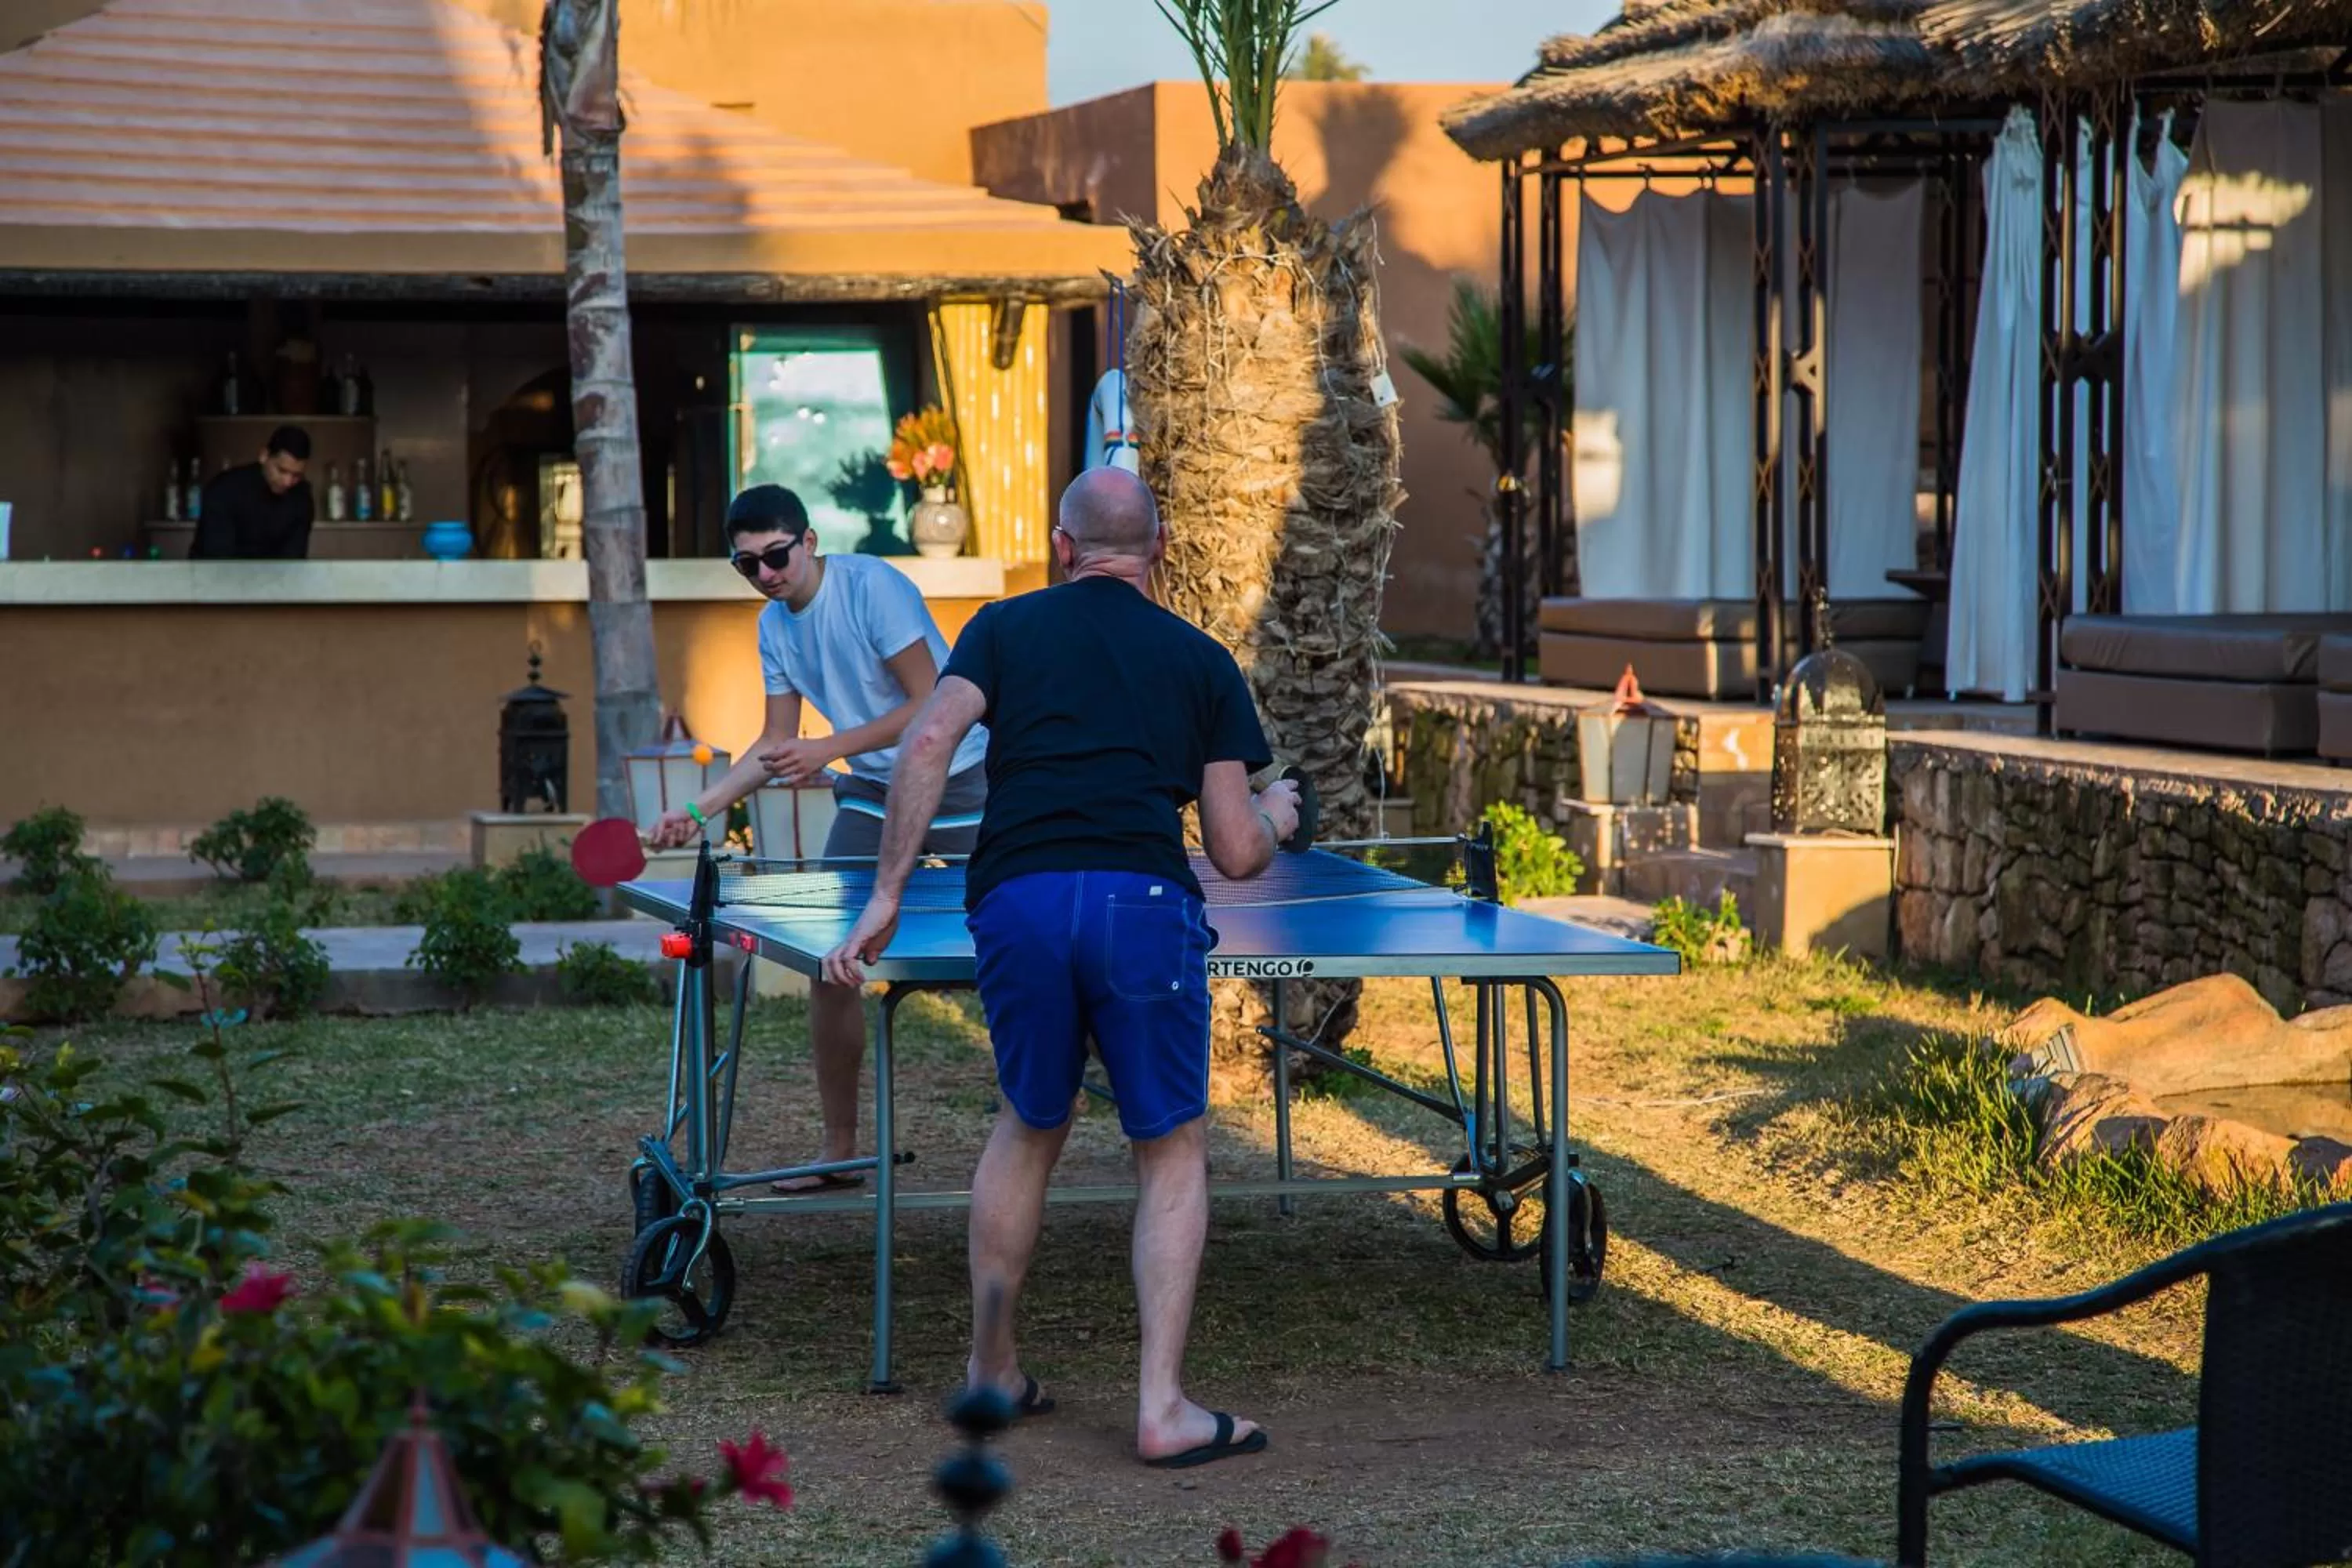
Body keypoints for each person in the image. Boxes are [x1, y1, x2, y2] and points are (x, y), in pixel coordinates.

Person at [822, 467, 1301, 1471]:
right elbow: (1236, 849)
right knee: (1168, 1147)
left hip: (1022, 899)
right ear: (1159, 549)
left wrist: (885, 894)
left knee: (1030, 1120)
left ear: (1063, 544)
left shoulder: (1003, 627)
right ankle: (1162, 1407)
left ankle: (992, 1369)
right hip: (1139, 901)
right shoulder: (1202, 658)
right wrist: (1277, 816)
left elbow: (926, 744)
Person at [649, 483, 988, 1191]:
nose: (767, 575)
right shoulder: (774, 627)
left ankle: (1052, 1102)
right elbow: (776, 742)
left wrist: (827, 745)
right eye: (748, 566)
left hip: (965, 776)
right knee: (830, 960)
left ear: (808, 541)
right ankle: (840, 1150)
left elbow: (933, 702)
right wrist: (698, 808)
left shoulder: (873, 588)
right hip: (871, 791)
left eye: (776, 556)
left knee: (1020, 939)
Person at [191, 426, 314, 560]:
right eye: (282, 471)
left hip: (274, 579)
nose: (287, 482)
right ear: (264, 456)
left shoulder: (302, 498)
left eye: (296, 475)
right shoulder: (224, 490)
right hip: (213, 575)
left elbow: (293, 561)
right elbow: (216, 558)